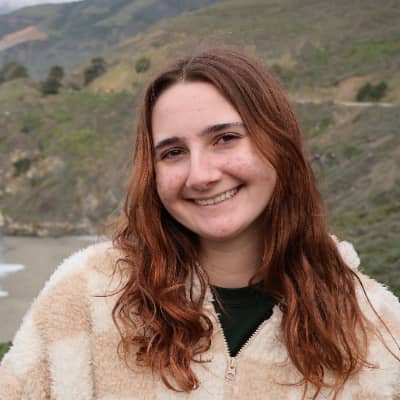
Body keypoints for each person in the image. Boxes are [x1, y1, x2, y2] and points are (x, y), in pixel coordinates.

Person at [0, 48, 399, 400]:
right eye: (173, 152)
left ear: (278, 143)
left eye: (225, 138)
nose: (201, 175)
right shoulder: (87, 295)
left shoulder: (377, 328)